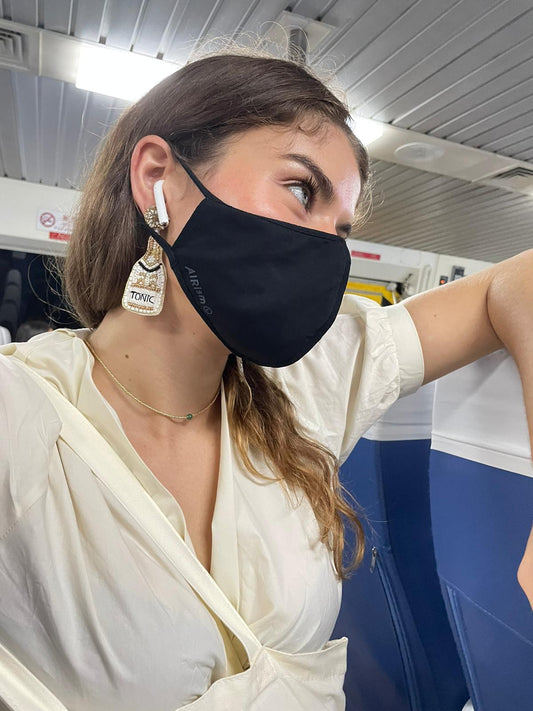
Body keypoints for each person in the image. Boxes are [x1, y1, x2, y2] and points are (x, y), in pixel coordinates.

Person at [0, 51, 531, 711]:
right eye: (302, 191)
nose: (326, 249)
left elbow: (519, 282)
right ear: (158, 177)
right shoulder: (21, 413)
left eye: (340, 229)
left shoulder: (305, 385)